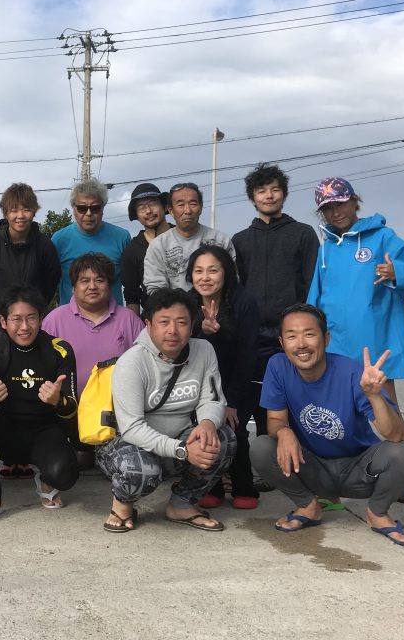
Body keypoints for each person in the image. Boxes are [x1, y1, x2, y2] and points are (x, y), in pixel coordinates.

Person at [306, 177, 404, 529]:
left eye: (341, 203)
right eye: (328, 207)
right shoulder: (326, 248)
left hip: (374, 349)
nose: (336, 212)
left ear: (355, 202)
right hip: (334, 348)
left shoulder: (382, 237)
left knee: (391, 419)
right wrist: (308, 336)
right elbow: (315, 299)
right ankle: (330, 493)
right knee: (334, 421)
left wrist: (398, 272)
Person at [250, 304, 404, 546]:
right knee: (261, 447)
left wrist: (375, 395)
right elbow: (275, 420)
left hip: (360, 470)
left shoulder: (351, 371)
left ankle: (378, 512)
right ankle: (308, 506)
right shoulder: (278, 367)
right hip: (312, 468)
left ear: (326, 338)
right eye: (291, 336)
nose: (301, 344)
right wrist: (284, 431)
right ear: (282, 342)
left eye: (309, 334)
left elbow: (393, 434)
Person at [96, 288, 236, 533]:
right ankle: (122, 503)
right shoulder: (132, 361)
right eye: (164, 322)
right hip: (127, 446)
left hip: (179, 441)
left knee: (222, 439)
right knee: (140, 470)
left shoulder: (204, 351)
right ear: (148, 325)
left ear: (192, 325)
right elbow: (132, 427)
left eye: (182, 322)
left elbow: (212, 400)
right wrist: (182, 451)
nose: (173, 330)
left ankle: (182, 504)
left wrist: (206, 425)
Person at [231, 163, 319, 490]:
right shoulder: (240, 240)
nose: (269, 195)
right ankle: (256, 467)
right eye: (261, 190)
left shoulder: (303, 234)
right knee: (250, 403)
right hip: (251, 336)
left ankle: (296, 469)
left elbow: (312, 284)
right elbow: (235, 289)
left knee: (293, 404)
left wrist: (308, 328)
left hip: (291, 336)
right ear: (252, 197)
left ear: (284, 194)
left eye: (275, 189)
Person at [0, 286, 79, 525]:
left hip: (43, 432)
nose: (24, 327)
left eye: (31, 318)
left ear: (41, 318)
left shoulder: (60, 350)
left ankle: (46, 479)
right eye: (16, 319)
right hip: (4, 432)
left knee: (65, 476)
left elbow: (73, 412)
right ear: (3, 321)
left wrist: (58, 401)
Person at [42, 252, 144, 467]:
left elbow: (146, 367)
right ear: (73, 287)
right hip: (66, 413)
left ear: (109, 284)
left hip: (117, 416)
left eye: (99, 280)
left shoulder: (129, 320)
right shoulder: (54, 320)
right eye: (84, 281)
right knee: (72, 463)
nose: (92, 286)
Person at [187, 244, 261, 509]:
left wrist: (231, 401)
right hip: (199, 385)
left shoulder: (244, 302)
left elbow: (248, 353)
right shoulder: (189, 303)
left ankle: (244, 486)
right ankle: (212, 486)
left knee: (235, 429)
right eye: (198, 271)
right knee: (204, 431)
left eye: (212, 270)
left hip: (237, 381)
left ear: (226, 273)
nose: (205, 277)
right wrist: (203, 330)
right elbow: (183, 347)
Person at [0, 182, 61, 322]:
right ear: (6, 213)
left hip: (31, 324)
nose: (20, 215)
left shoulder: (45, 246)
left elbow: (50, 284)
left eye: (26, 209)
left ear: (34, 211)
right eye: (14, 210)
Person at [143, 182, 235, 293]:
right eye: (180, 205)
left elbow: (233, 282)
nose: (187, 211)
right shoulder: (158, 246)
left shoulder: (221, 240)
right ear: (171, 211)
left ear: (200, 208)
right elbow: (155, 290)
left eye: (193, 204)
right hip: (173, 308)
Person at [51, 178, 131, 305]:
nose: (88, 213)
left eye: (95, 208)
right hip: (70, 320)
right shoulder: (59, 240)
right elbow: (50, 282)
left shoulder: (122, 237)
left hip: (113, 320)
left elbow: (131, 284)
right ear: (73, 208)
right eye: (82, 208)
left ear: (103, 208)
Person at [120, 182, 172, 315]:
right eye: (142, 208)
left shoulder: (183, 237)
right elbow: (132, 297)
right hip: (154, 320)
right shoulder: (132, 251)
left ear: (164, 206)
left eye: (153, 204)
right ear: (136, 215)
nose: (148, 211)